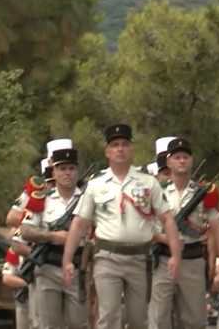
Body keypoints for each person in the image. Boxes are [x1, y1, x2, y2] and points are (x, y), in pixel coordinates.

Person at [61, 123, 182, 329]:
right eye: (115, 145)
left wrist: (176, 255)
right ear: (107, 151)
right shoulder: (96, 184)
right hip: (107, 258)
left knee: (137, 319)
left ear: (131, 150)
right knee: (108, 317)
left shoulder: (147, 182)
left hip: (139, 259)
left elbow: (167, 219)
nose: (120, 149)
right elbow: (80, 222)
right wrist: (67, 259)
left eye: (125, 144)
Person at [149, 137, 219, 329]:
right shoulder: (157, 192)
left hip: (192, 260)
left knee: (194, 320)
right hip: (163, 261)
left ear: (191, 160)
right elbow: (143, 227)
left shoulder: (203, 192)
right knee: (159, 319)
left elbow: (216, 227)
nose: (181, 161)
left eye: (185, 157)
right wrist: (164, 238)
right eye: (177, 157)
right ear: (168, 162)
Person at [20, 146, 89, 329]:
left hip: (77, 269)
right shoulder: (41, 198)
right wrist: (53, 236)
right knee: (48, 324)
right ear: (54, 171)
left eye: (71, 168)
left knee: (78, 323)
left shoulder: (88, 198)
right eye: (62, 168)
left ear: (77, 170)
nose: (67, 173)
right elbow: (25, 230)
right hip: (48, 268)